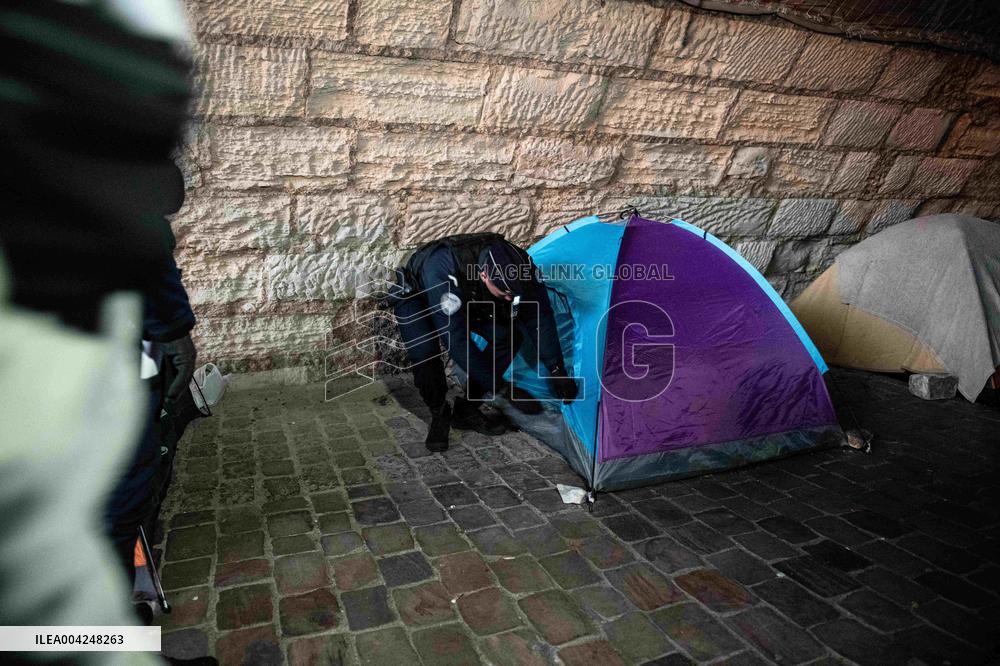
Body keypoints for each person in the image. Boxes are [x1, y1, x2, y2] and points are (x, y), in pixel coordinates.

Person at [390, 233, 578, 451]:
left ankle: (467, 409)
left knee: (507, 337)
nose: (510, 299)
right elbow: (457, 341)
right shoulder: (442, 268)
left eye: (514, 295)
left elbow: (539, 316)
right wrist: (503, 390)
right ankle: (439, 412)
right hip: (418, 296)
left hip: (468, 296)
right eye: (505, 294)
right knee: (424, 353)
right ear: (485, 275)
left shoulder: (520, 264)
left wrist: (557, 369)